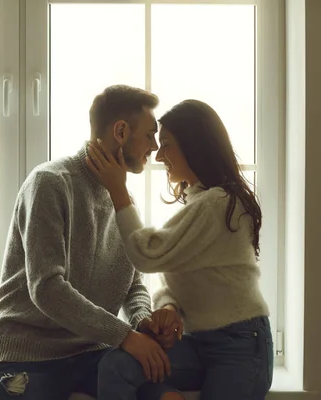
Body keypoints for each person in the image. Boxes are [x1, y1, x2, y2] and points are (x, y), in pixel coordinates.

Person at [0, 84, 185, 400]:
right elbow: (48, 289)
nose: (154, 146)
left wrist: (142, 322)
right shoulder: (50, 183)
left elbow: (132, 284)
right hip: (30, 357)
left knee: (168, 395)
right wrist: (126, 337)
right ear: (120, 131)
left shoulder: (123, 201)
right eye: (149, 135)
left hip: (93, 353)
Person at [86, 99, 273, 400]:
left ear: (194, 147)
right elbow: (173, 275)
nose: (159, 156)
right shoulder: (199, 201)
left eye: (167, 145)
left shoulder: (219, 203)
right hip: (198, 343)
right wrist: (169, 307)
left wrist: (118, 190)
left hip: (240, 345)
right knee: (117, 366)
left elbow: (148, 255)